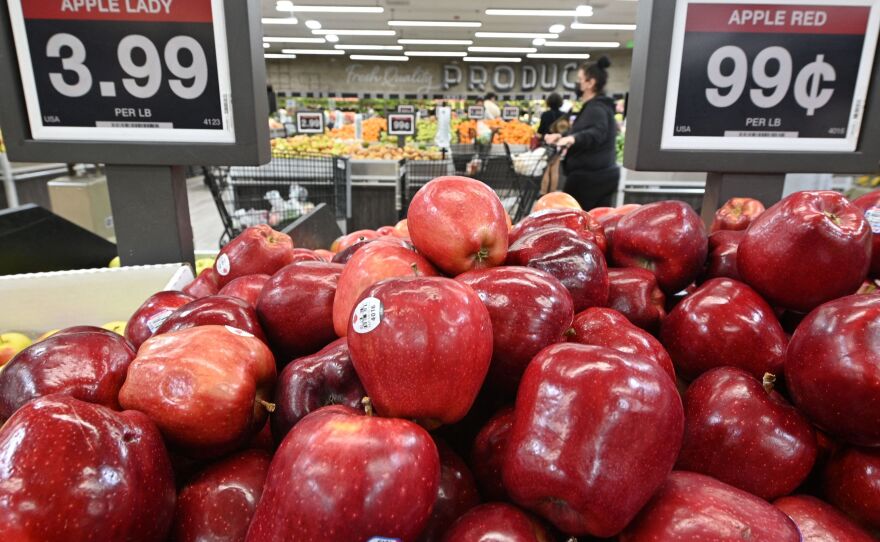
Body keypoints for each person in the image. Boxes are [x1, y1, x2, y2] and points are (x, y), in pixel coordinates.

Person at [546, 57, 620, 209]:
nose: (577, 84)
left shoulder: (596, 108)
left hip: (590, 179)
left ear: (590, 83)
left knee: (574, 220)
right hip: (596, 176)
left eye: (580, 80)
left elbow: (597, 132)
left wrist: (573, 138)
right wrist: (563, 136)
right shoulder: (595, 107)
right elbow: (586, 130)